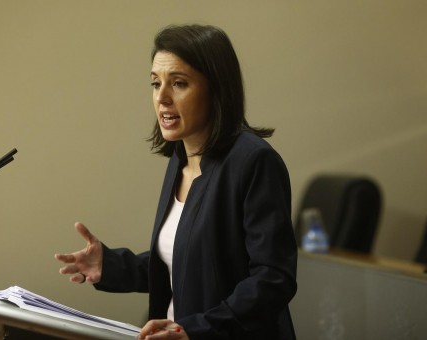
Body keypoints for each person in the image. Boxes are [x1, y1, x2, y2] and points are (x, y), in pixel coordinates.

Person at [55, 24, 297, 340]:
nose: (163, 98)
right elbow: (187, 265)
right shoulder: (180, 161)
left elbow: (273, 279)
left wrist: (195, 331)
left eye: (179, 83)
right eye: (156, 84)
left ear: (216, 89)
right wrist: (110, 265)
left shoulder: (253, 162)